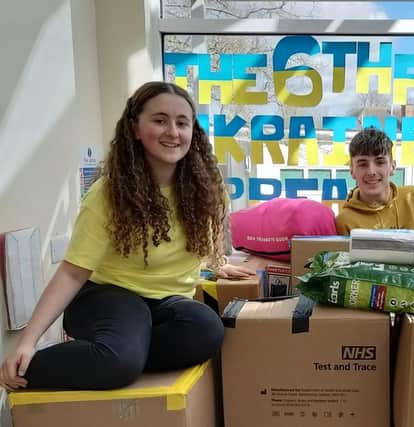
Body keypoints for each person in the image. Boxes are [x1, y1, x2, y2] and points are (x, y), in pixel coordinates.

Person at [0, 81, 253, 392]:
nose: (172, 131)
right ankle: (25, 371)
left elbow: (201, 237)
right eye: (159, 120)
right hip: (107, 295)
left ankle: (120, 355)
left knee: (206, 331)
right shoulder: (108, 195)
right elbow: (72, 271)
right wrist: (28, 341)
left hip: (165, 304)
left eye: (182, 122)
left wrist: (216, 264)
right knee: (121, 357)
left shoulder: (205, 191)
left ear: (193, 132)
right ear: (135, 128)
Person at [335, 126, 414, 259]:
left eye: (380, 162)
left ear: (392, 167)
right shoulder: (345, 221)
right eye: (363, 164)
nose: (371, 171)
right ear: (352, 170)